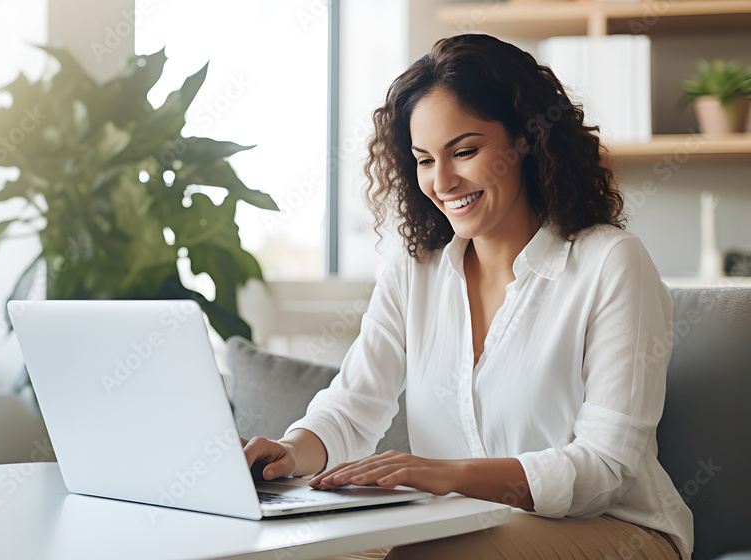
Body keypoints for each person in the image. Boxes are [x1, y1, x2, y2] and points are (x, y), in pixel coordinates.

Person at [241, 33, 693, 560]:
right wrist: (290, 454)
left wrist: (444, 476)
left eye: (465, 151)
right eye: (424, 160)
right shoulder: (416, 272)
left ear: (526, 139)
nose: (443, 181)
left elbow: (604, 468)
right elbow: (353, 405)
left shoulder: (611, 263)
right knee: (296, 550)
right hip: (464, 523)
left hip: (617, 529)